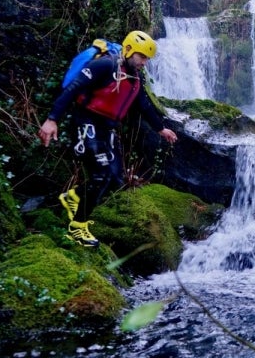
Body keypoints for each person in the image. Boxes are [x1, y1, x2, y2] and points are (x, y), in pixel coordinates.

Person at [38, 30, 177, 247]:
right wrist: (52, 119)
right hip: (86, 122)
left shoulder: (135, 78)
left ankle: (74, 197)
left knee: (114, 178)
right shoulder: (104, 65)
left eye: (147, 59)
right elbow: (73, 89)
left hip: (107, 129)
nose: (144, 63)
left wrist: (161, 129)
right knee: (100, 175)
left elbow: (143, 106)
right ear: (129, 50)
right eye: (142, 57)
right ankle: (78, 228)